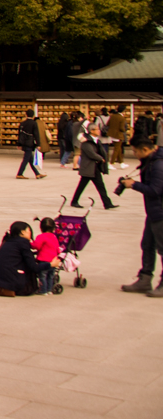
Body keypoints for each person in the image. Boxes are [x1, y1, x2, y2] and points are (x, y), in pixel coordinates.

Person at [120, 136, 163, 296]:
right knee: (147, 245)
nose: (135, 154)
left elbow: (155, 190)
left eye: (136, 151)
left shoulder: (158, 165)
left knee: (162, 249)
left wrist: (134, 185)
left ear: (145, 149)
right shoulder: (150, 162)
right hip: (153, 212)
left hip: (160, 213)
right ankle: (145, 279)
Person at [0, 221, 40, 296]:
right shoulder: (23, 242)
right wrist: (50, 264)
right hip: (12, 285)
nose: (30, 233)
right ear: (22, 232)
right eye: (29, 230)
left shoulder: (7, 241)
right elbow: (33, 266)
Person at [71, 126, 115, 209]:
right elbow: (91, 153)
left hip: (95, 167)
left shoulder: (96, 140)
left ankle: (107, 203)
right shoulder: (86, 142)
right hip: (88, 167)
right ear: (92, 131)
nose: (99, 131)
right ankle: (74, 201)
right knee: (82, 186)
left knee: (101, 186)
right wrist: (100, 158)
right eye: (97, 129)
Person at [31, 217, 62, 295]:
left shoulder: (41, 237)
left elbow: (37, 246)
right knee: (50, 276)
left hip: (44, 261)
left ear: (41, 228)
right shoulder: (54, 237)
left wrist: (30, 244)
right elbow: (58, 249)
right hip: (53, 260)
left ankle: (43, 290)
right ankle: (49, 289)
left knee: (42, 276)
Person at [16, 110, 45, 179]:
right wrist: (39, 144)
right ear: (33, 115)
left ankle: (37, 174)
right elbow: (36, 134)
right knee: (26, 159)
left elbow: (19, 134)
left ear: (26, 115)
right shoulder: (34, 123)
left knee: (30, 160)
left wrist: (19, 144)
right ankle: (19, 174)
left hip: (23, 142)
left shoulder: (22, 123)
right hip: (30, 143)